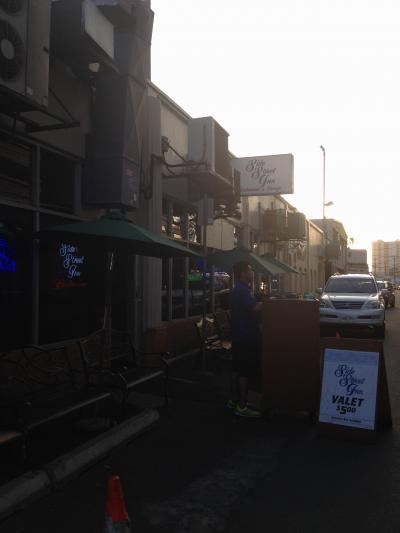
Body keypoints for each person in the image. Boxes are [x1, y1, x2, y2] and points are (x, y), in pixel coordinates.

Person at [229, 261, 263, 418]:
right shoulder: (242, 290)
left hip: (241, 335)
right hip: (244, 337)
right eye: (250, 270)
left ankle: (235, 400)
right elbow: (254, 308)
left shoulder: (242, 289)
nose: (252, 272)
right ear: (243, 273)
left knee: (238, 369)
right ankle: (242, 406)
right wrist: (268, 302)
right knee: (244, 371)